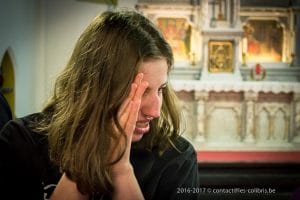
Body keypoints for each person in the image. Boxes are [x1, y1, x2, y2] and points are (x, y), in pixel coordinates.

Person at [0, 10, 199, 200]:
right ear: (94, 87)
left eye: (161, 89)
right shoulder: (24, 140)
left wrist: (121, 171)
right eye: (138, 92)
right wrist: (83, 165)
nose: (155, 111)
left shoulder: (176, 158)